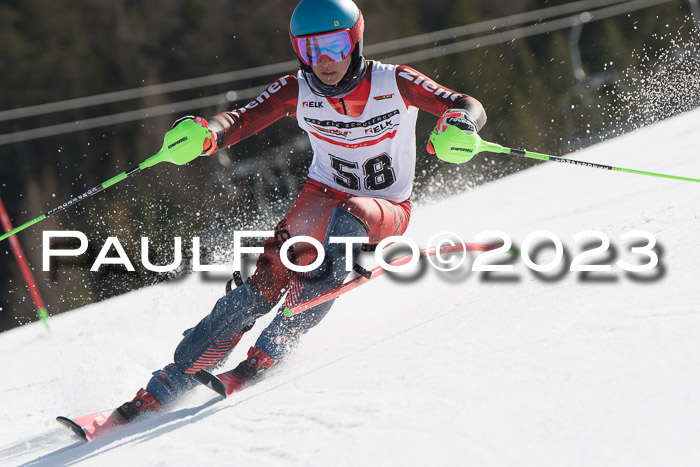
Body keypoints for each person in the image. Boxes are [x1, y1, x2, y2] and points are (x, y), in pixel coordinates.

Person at [118, 0, 487, 419]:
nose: (325, 60)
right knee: (263, 283)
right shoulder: (298, 89)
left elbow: (462, 102)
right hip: (322, 194)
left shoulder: (395, 82)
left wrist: (459, 124)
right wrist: (207, 134)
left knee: (345, 225)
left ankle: (273, 346)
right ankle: (169, 381)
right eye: (312, 50)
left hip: (386, 207)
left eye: (334, 45)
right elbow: (241, 119)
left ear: (355, 41)